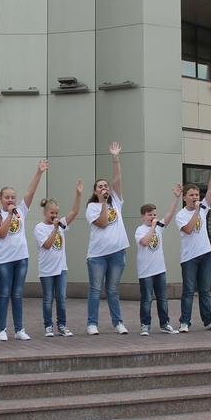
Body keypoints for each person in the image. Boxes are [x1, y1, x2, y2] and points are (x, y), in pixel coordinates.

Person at [0, 159, 49, 341]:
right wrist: (9, 214)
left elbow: (30, 191)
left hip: (21, 258)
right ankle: (2, 330)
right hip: (3, 261)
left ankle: (19, 329)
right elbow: (1, 233)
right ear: (0, 199)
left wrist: (39, 172)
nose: (10, 200)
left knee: (17, 295)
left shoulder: (21, 210)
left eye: (13, 197)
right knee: (4, 294)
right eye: (7, 197)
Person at [176, 156, 211, 332]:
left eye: (197, 195)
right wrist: (196, 211)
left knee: (205, 290)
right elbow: (189, 230)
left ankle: (209, 320)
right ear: (185, 198)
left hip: (205, 254)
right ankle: (184, 322)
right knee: (189, 290)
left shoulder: (203, 207)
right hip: (189, 257)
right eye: (192, 195)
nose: (195, 197)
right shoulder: (181, 215)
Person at [86, 142, 129, 335]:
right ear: (95, 191)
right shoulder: (92, 207)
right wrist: (103, 203)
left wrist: (115, 157)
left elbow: (118, 179)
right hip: (97, 256)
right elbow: (103, 223)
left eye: (106, 186)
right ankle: (92, 324)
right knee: (96, 289)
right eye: (100, 186)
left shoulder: (117, 202)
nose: (104, 188)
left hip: (117, 253)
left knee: (113, 290)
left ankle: (118, 322)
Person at [35, 180, 83, 337]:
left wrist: (78, 194)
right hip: (47, 269)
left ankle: (62, 325)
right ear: (45, 212)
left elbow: (74, 212)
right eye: (52, 213)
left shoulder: (61, 224)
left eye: (56, 213)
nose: (55, 216)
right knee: (48, 298)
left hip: (61, 268)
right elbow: (47, 245)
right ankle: (48, 326)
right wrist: (55, 229)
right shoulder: (40, 228)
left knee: (61, 298)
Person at [134, 185, 183, 335]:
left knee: (162, 298)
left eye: (154, 214)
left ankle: (165, 323)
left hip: (159, 269)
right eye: (150, 215)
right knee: (147, 299)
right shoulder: (140, 230)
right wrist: (153, 227)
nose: (153, 217)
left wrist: (176, 198)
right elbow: (145, 242)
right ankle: (145, 325)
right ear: (143, 216)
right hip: (146, 272)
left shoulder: (159, 227)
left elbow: (170, 214)